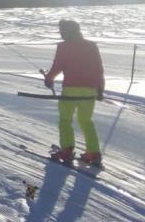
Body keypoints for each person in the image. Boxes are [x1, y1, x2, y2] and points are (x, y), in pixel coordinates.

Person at [43, 19, 105, 166]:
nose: (61, 34)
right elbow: (99, 69)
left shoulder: (64, 47)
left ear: (69, 31)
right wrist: (100, 89)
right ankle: (94, 152)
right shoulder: (91, 46)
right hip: (90, 90)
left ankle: (67, 150)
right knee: (86, 121)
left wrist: (49, 78)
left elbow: (58, 65)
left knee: (65, 120)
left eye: (62, 31)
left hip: (71, 89)